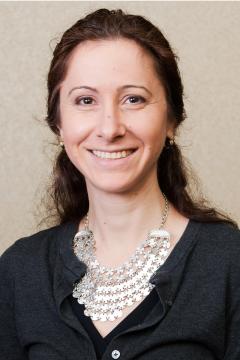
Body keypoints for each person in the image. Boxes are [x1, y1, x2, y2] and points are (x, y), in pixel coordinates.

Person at [0, 8, 239, 360]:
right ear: (59, 124)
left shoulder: (229, 264)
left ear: (172, 119)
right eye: (85, 100)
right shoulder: (20, 271)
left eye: (134, 99)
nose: (110, 128)